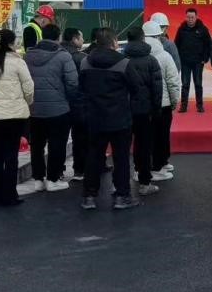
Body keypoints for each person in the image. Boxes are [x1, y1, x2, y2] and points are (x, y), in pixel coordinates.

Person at [77, 27, 139, 211]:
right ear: (114, 42)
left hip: (95, 118)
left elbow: (81, 88)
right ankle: (122, 196)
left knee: (94, 156)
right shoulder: (124, 63)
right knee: (121, 158)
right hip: (120, 119)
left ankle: (89, 196)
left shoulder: (86, 62)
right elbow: (136, 88)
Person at [0, 29, 34, 208]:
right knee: (11, 156)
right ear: (11, 43)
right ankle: (10, 195)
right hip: (14, 115)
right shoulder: (18, 62)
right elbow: (29, 87)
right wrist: (27, 102)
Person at [24, 23, 79, 192]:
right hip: (58, 109)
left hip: (34, 109)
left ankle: (38, 179)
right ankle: (53, 179)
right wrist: (69, 100)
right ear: (58, 37)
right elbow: (72, 83)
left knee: (37, 146)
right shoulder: (63, 56)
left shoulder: (28, 56)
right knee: (57, 144)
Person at [119, 26, 163, 197]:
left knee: (122, 147)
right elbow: (157, 88)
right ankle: (144, 182)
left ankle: (120, 185)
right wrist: (156, 109)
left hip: (124, 109)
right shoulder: (151, 60)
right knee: (144, 146)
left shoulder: (121, 59)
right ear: (143, 38)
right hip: (144, 110)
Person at [143, 20, 180, 181]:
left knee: (145, 138)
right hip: (162, 104)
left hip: (142, 105)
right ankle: (158, 167)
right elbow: (173, 82)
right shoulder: (165, 56)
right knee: (161, 137)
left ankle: (143, 168)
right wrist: (174, 102)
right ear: (159, 36)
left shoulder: (133, 56)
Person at [61, 27, 88, 182]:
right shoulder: (81, 58)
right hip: (79, 103)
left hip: (59, 103)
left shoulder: (56, 55)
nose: (83, 40)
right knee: (80, 137)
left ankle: (57, 172)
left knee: (59, 140)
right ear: (74, 39)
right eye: (81, 37)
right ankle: (79, 170)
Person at [174, 8, 212, 112]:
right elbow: (176, 44)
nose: (190, 19)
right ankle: (183, 106)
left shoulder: (203, 29)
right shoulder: (181, 29)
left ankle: (200, 106)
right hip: (185, 62)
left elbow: (208, 44)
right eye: (188, 17)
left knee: (198, 84)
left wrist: (205, 58)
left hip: (198, 62)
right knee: (185, 84)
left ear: (196, 17)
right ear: (186, 17)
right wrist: (179, 58)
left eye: (192, 17)